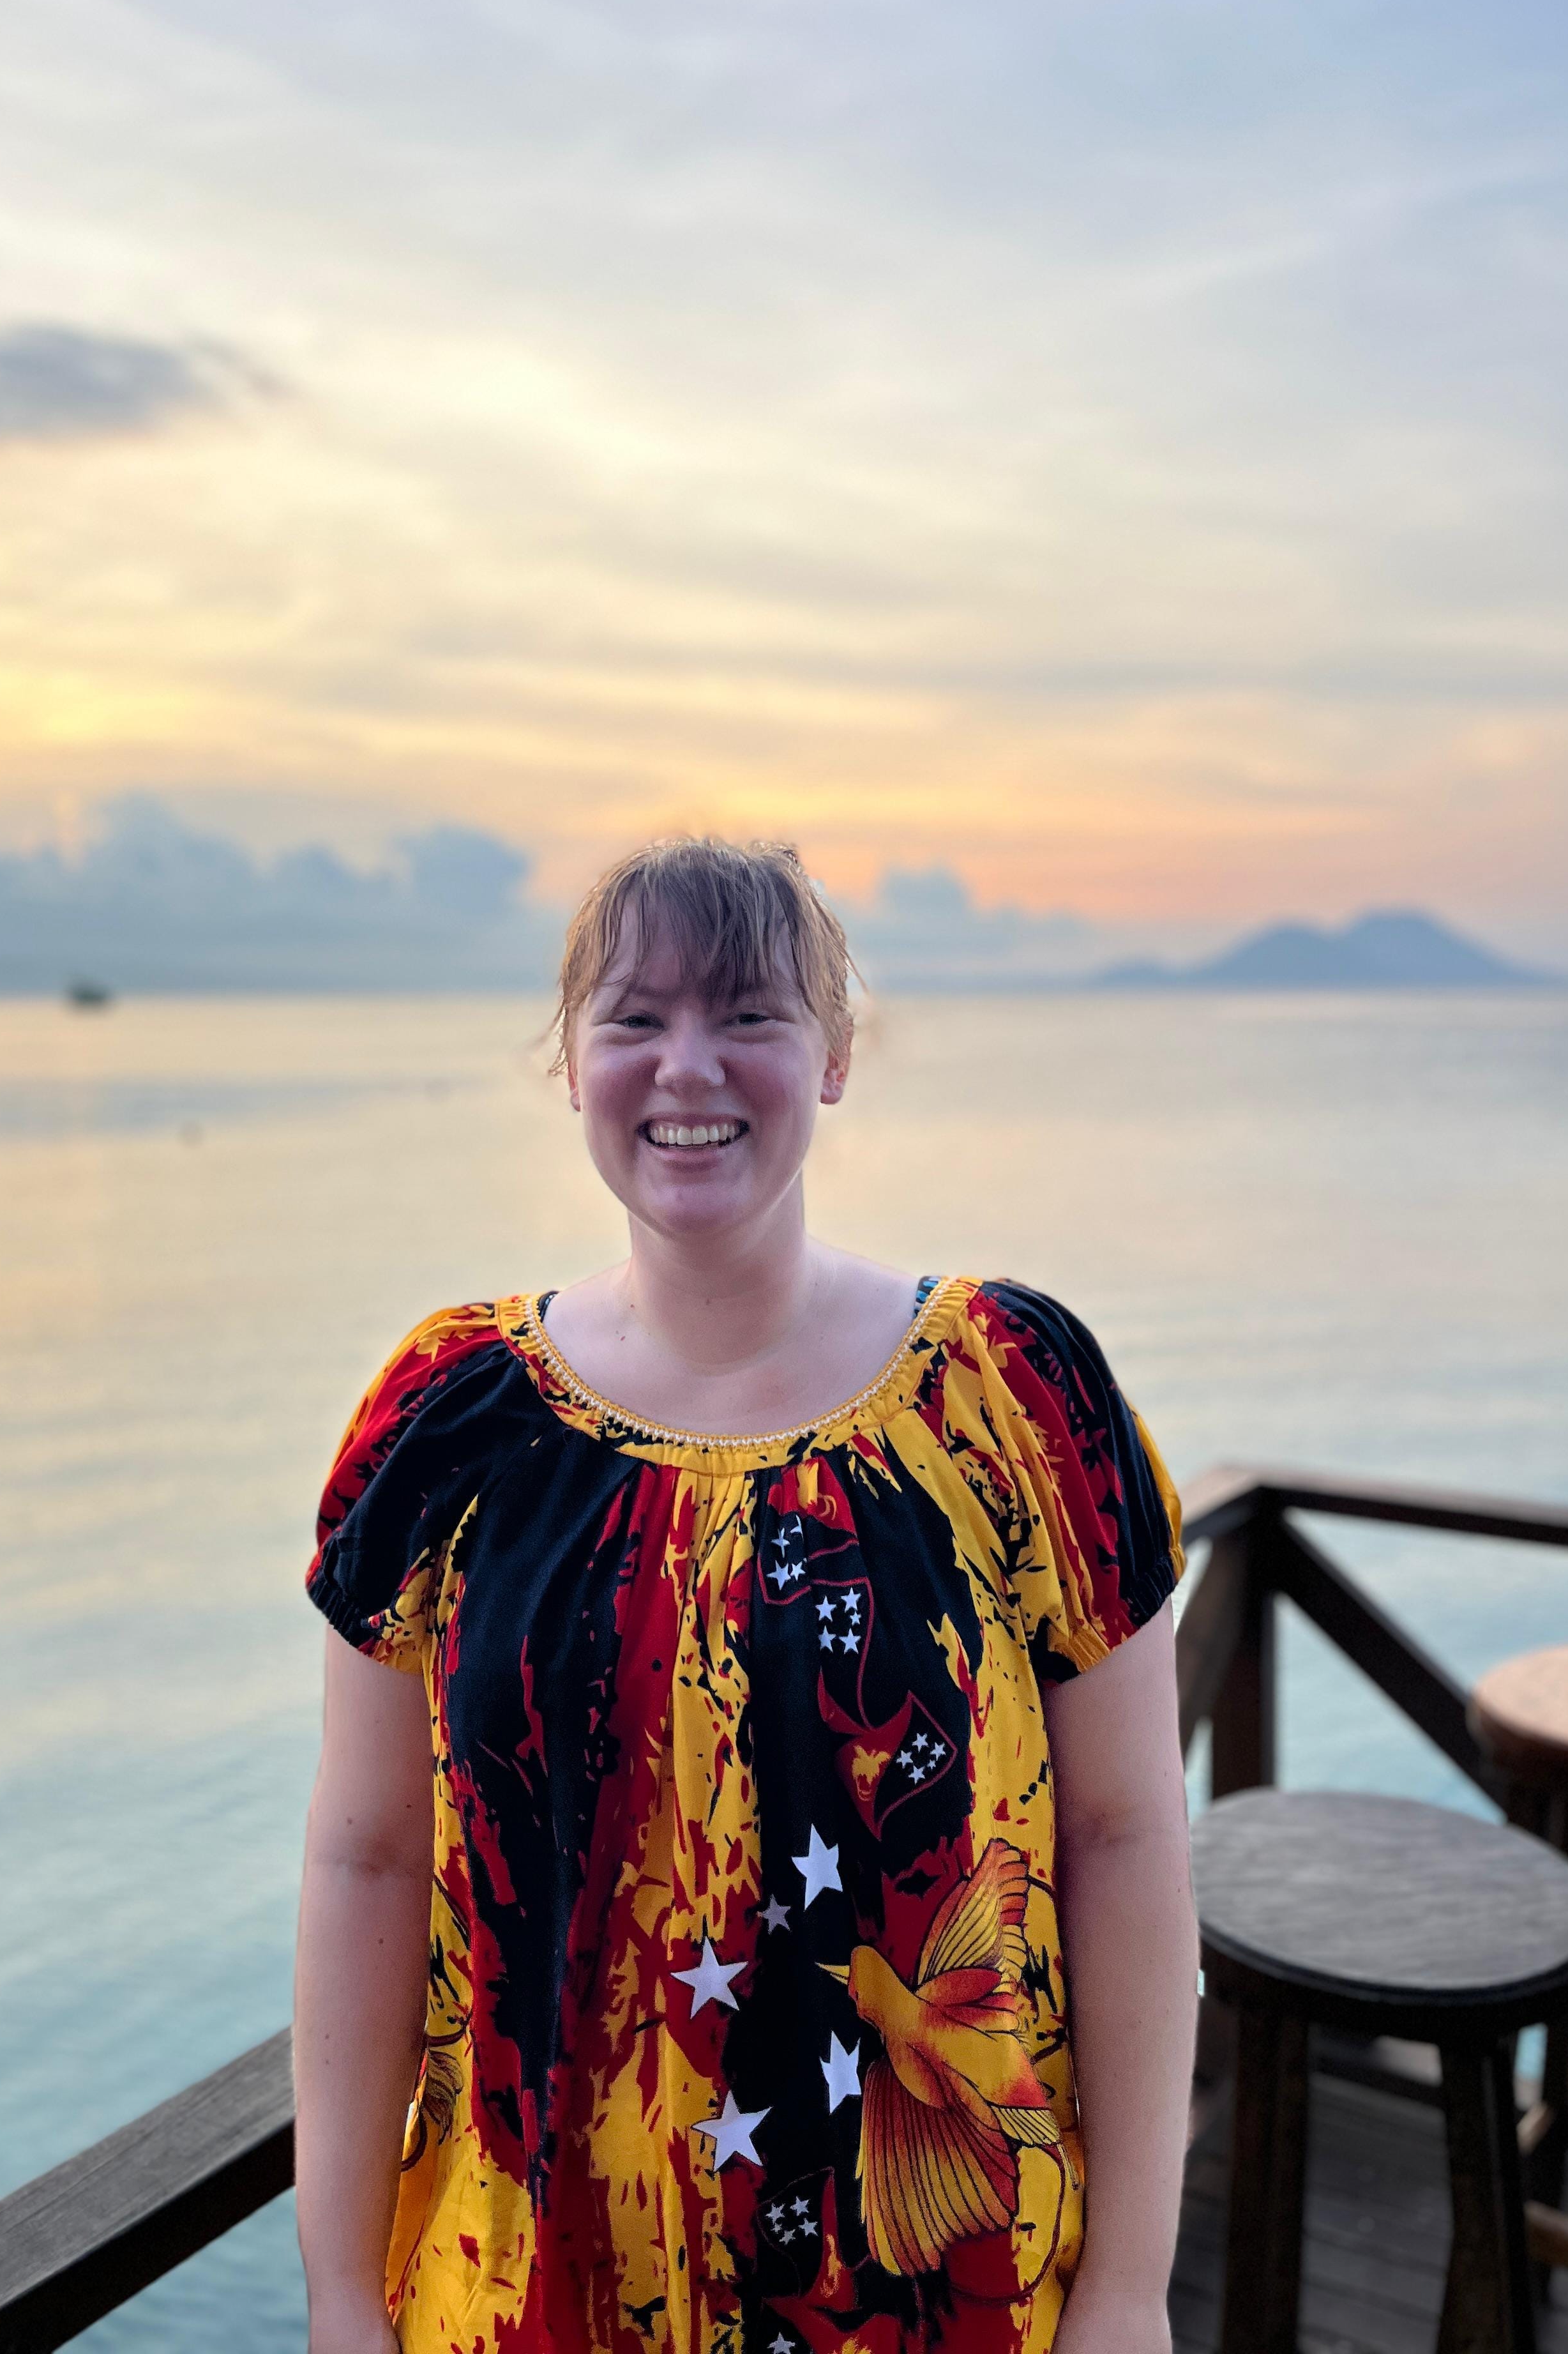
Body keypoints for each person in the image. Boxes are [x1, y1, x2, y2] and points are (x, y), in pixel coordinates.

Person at [295, 837, 1196, 2354]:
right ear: (572, 1063)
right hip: (530, 2290)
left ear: (833, 1056)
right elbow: (364, 1859)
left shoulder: (1012, 1393)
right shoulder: (446, 1418)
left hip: (940, 2283)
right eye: (636, 1017)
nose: (687, 1066)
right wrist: (337, 2289)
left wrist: (1129, 2289)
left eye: (749, 1015)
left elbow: (1127, 1837)